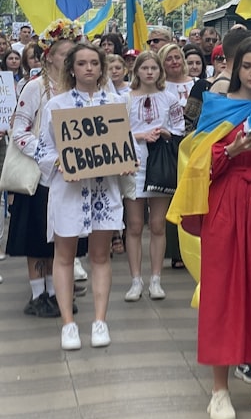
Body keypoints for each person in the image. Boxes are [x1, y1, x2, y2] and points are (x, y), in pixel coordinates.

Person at [174, 38, 251, 419]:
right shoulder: (217, 107)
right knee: (223, 293)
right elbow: (198, 164)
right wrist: (231, 151)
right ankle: (219, 391)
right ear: (236, 67)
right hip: (227, 206)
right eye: (249, 66)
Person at [36, 42, 128, 350]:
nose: (88, 68)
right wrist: (59, 163)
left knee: (101, 256)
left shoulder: (116, 104)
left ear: (102, 68)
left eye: (94, 63)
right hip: (69, 190)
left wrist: (128, 161)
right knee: (64, 256)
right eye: (82, 63)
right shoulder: (56, 105)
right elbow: (42, 149)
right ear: (71, 69)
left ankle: (100, 321)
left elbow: (124, 144)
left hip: (104, 189)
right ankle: (68, 324)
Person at [7, 34, 77, 319]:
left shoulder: (76, 91)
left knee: (59, 236)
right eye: (65, 55)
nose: (70, 60)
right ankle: (39, 294)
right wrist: (48, 155)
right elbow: (19, 129)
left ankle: (54, 290)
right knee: (36, 236)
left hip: (69, 175)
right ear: (49, 57)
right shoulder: (36, 88)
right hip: (40, 175)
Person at [123, 51, 184, 302]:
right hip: (134, 162)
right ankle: (135, 279)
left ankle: (156, 279)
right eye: (145, 68)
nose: (149, 72)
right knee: (135, 224)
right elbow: (117, 131)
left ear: (160, 72)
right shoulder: (124, 99)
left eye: (154, 68)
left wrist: (166, 132)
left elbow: (180, 128)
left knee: (158, 224)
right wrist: (139, 136)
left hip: (159, 163)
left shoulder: (170, 98)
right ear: (136, 70)